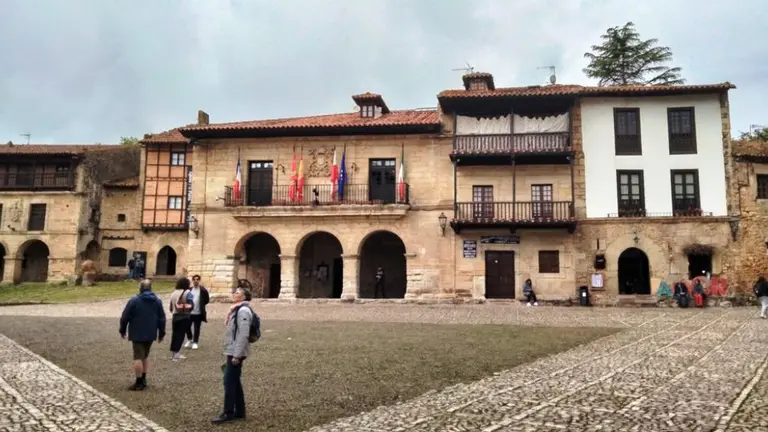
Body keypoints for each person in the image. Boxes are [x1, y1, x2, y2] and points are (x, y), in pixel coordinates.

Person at [212, 288, 254, 425]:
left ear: (244, 297)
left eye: (237, 293)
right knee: (234, 380)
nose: (234, 294)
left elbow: (243, 334)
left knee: (228, 382)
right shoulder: (237, 309)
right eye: (234, 292)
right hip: (233, 349)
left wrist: (237, 355)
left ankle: (228, 412)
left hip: (236, 351)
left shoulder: (243, 311)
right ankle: (240, 411)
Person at [118, 279, 166, 391]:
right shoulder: (157, 301)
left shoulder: (134, 300)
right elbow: (162, 318)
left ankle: (139, 382)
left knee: (138, 357)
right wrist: (161, 333)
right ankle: (144, 379)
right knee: (145, 356)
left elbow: (125, 317)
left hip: (137, 332)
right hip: (151, 332)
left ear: (140, 288)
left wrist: (122, 329)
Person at [169, 278, 194, 361]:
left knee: (175, 335)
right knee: (180, 335)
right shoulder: (187, 292)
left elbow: (170, 308)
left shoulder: (173, 293)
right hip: (184, 316)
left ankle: (174, 353)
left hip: (175, 316)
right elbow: (191, 305)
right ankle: (176, 355)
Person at [185, 274, 210, 350]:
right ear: (192, 281)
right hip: (189, 312)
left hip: (198, 313)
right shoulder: (189, 290)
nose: (196, 281)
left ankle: (195, 342)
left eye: (197, 279)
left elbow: (207, 300)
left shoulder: (203, 290)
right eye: (194, 279)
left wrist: (201, 305)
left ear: (199, 280)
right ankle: (190, 339)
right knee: (186, 326)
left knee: (197, 328)